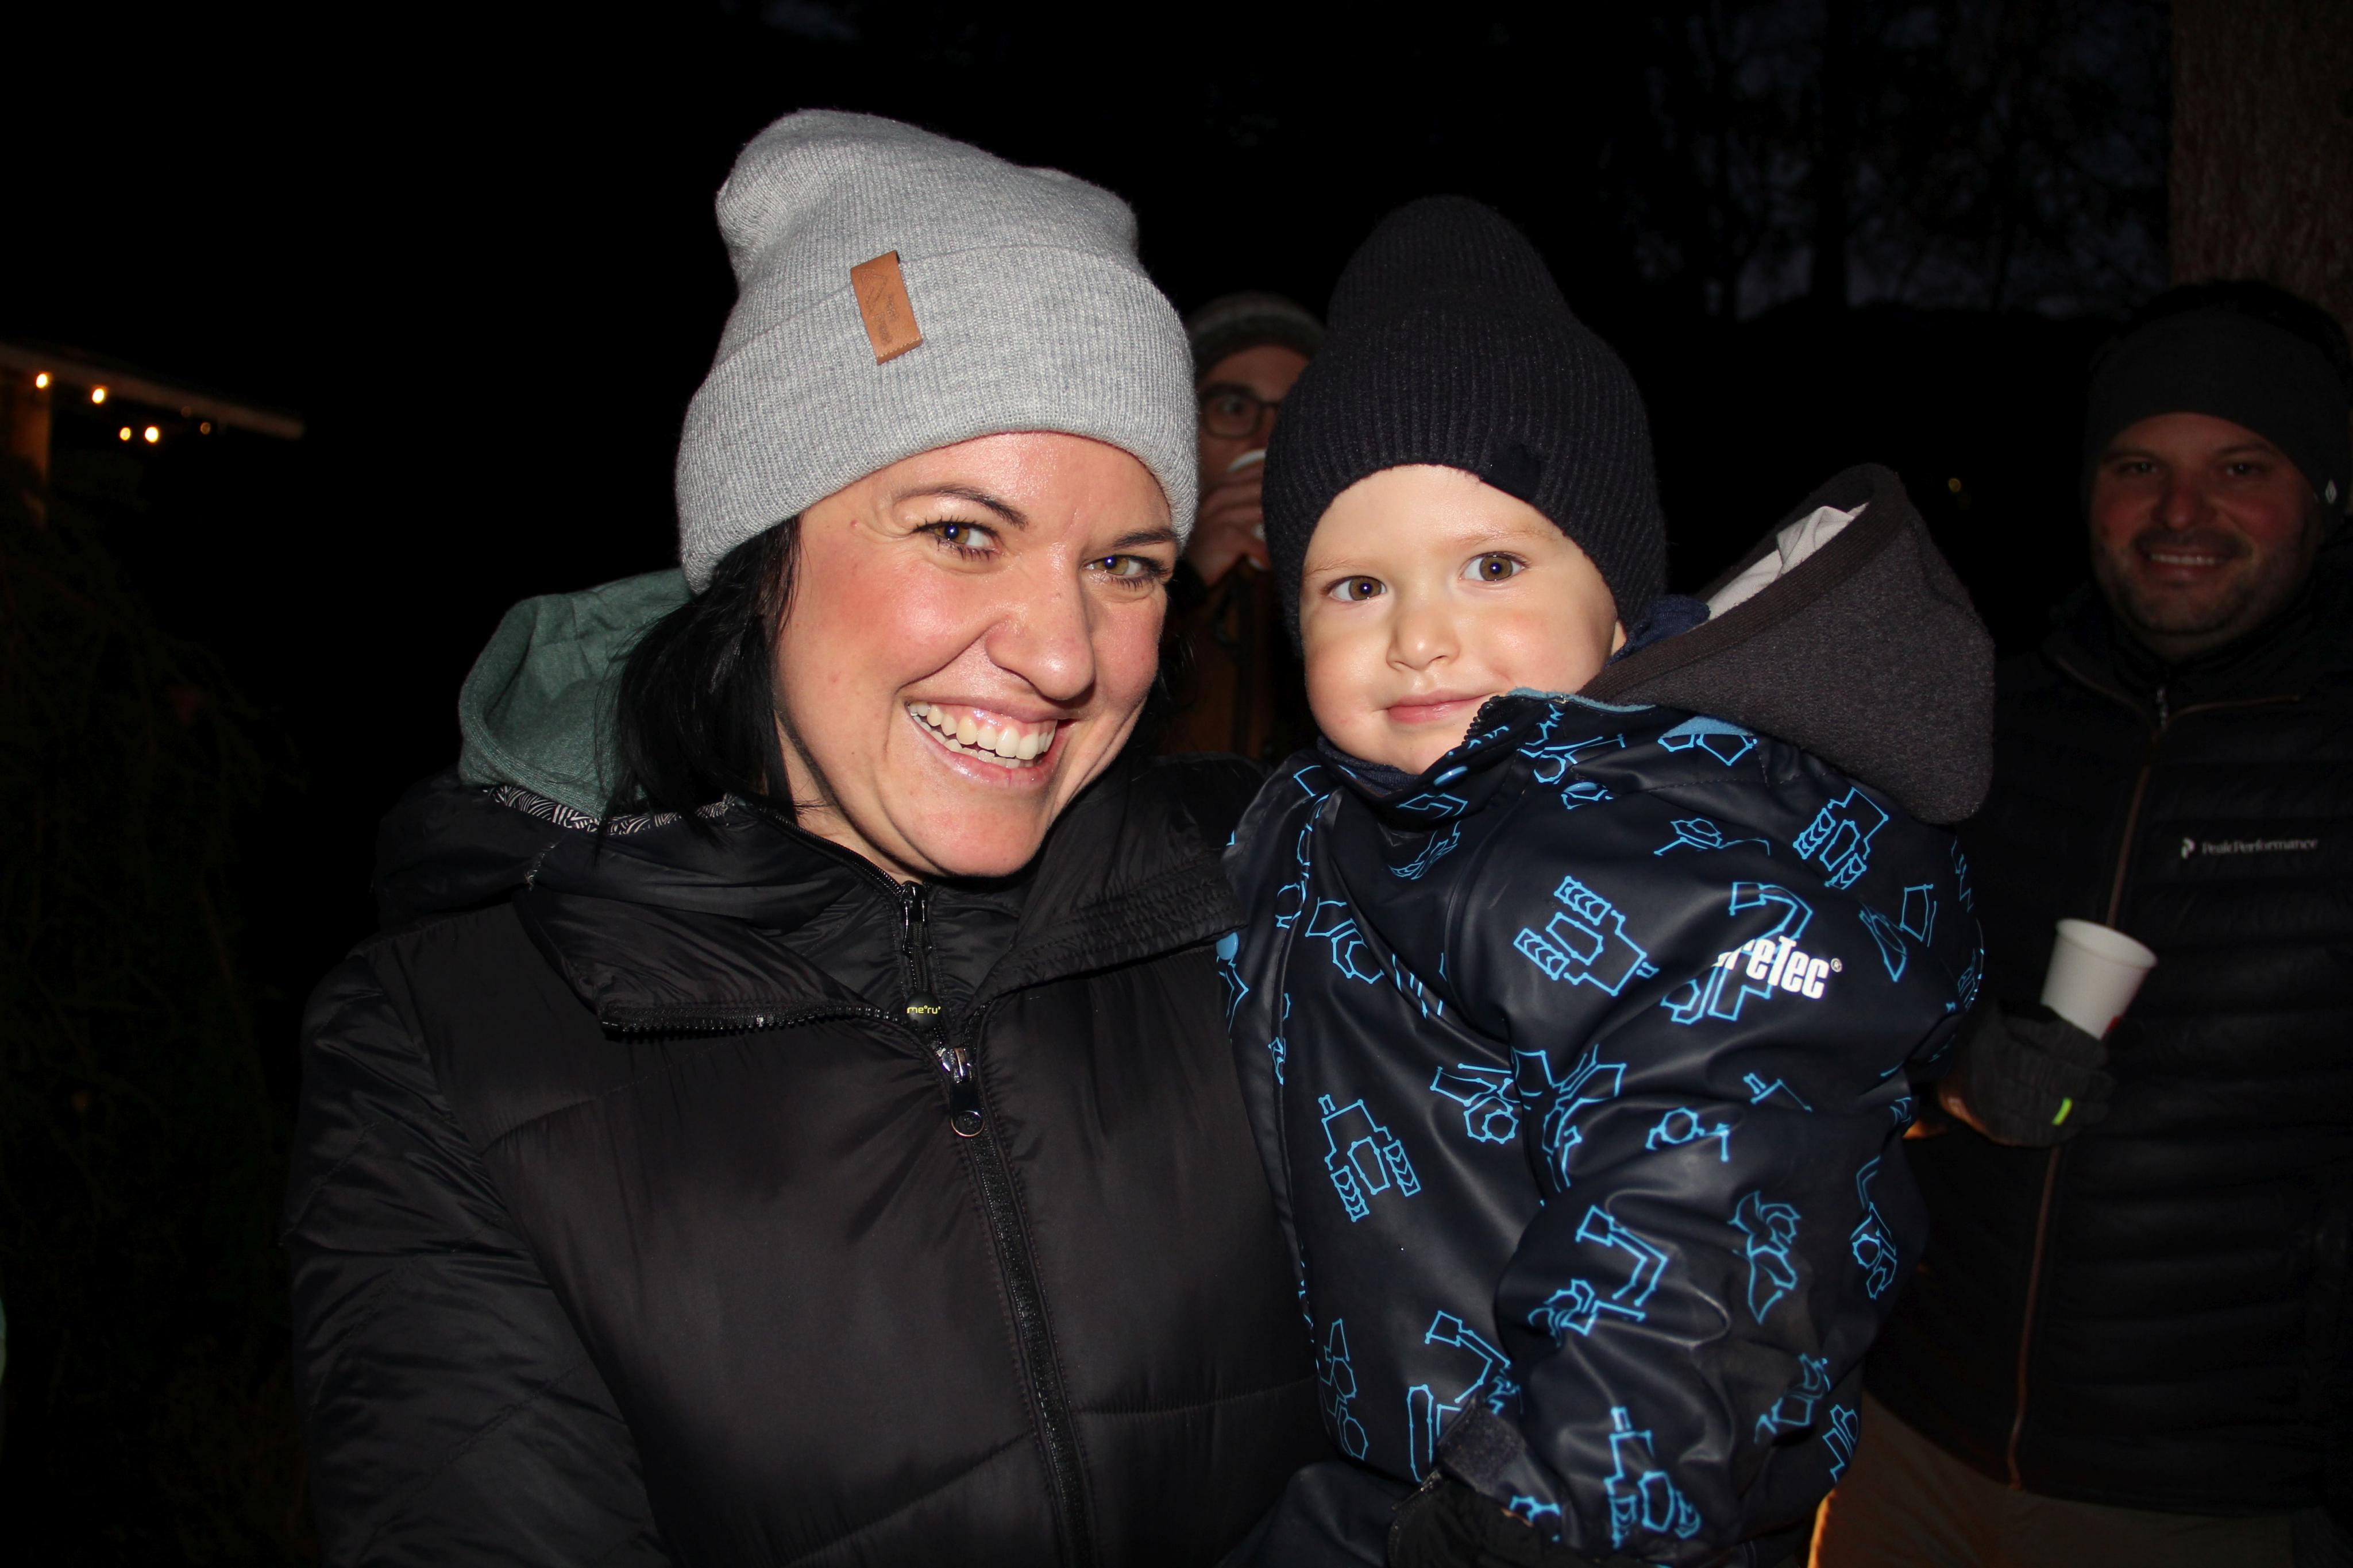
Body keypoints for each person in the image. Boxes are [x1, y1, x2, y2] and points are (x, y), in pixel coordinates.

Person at [282, 111, 1327, 1566]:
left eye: (1122, 564)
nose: (1063, 653)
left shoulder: (1274, 888)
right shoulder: (445, 1050)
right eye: (962, 532)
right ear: (759, 552)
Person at [1215, 197, 1992, 1567]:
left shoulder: (1679, 864)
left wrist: (1524, 1520)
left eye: (1491, 565)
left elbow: (1701, 1244)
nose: (1419, 636)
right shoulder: (1339, 822)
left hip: (1571, 1510)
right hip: (1391, 1461)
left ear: (1618, 602)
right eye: (1355, 588)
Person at [1817, 284, 2353, 1566]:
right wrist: (1950, 1069)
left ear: (2326, 496)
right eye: (2136, 467)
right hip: (1908, 1436)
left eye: (2239, 468)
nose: (2179, 513)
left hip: (2207, 1495)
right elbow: (1833, 996)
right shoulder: (1983, 728)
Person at [1159, 292, 1323, 761]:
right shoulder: (1126, 568)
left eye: (1295, 412)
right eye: (1233, 408)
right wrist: (1185, 583)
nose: (1267, 440)